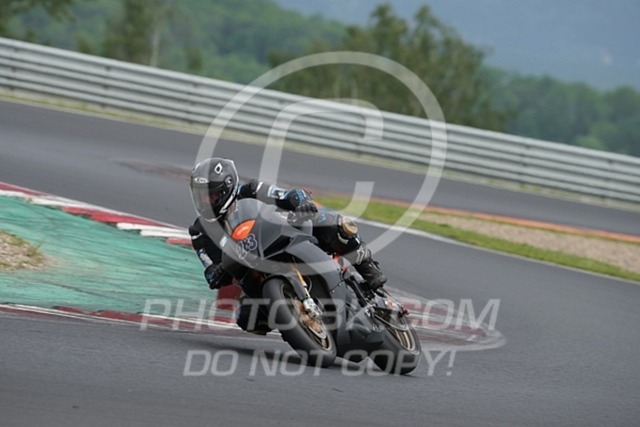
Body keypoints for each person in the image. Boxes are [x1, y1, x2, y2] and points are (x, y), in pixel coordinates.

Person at [188, 157, 387, 333]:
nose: (205, 202)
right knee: (246, 318)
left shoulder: (251, 190)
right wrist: (216, 274)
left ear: (227, 188)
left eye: (211, 195)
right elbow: (210, 269)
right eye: (200, 196)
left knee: (333, 224)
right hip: (253, 271)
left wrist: (301, 201)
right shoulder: (199, 231)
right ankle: (294, 319)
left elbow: (286, 194)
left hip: (283, 236)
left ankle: (369, 269)